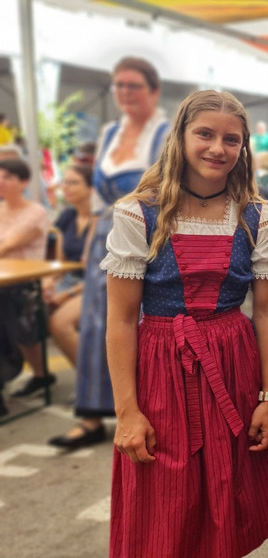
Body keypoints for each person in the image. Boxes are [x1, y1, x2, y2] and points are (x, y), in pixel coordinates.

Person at [103, 89, 268, 558]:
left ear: (243, 148)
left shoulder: (257, 217)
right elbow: (121, 320)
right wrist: (127, 412)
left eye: (231, 139)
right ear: (179, 136)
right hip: (162, 365)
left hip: (232, 363)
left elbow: (265, 311)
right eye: (204, 134)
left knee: (226, 498)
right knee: (161, 505)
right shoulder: (136, 212)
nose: (217, 148)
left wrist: (267, 397)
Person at [50, 56, 169, 450]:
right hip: (104, 234)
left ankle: (144, 409)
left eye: (133, 85)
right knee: (97, 326)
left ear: (153, 90)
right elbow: (100, 201)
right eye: (118, 85)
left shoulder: (165, 133)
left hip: (148, 236)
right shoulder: (109, 132)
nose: (124, 93)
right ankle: (91, 416)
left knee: (139, 324)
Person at [0, 158, 52, 413]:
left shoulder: (36, 212)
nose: (0, 181)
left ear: (23, 182)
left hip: (24, 284)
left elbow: (7, 245)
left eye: (7, 177)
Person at [43, 164, 93, 366]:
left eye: (73, 183)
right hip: (70, 280)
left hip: (95, 284)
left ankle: (93, 384)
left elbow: (102, 272)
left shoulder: (106, 220)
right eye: (65, 182)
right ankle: (39, 375)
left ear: (91, 188)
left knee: (60, 324)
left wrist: (68, 294)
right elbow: (60, 263)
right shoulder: (67, 216)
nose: (66, 187)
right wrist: (48, 280)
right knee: (23, 308)